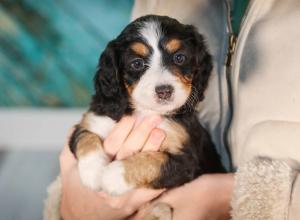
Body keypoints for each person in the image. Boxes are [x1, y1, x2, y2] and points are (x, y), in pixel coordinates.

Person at [58, 0, 300, 219]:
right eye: (137, 64)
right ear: (116, 73)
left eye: (179, 59)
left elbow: (180, 164)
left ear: (197, 65)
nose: (163, 83)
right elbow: (79, 145)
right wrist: (75, 206)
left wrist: (221, 195)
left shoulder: (180, 123)